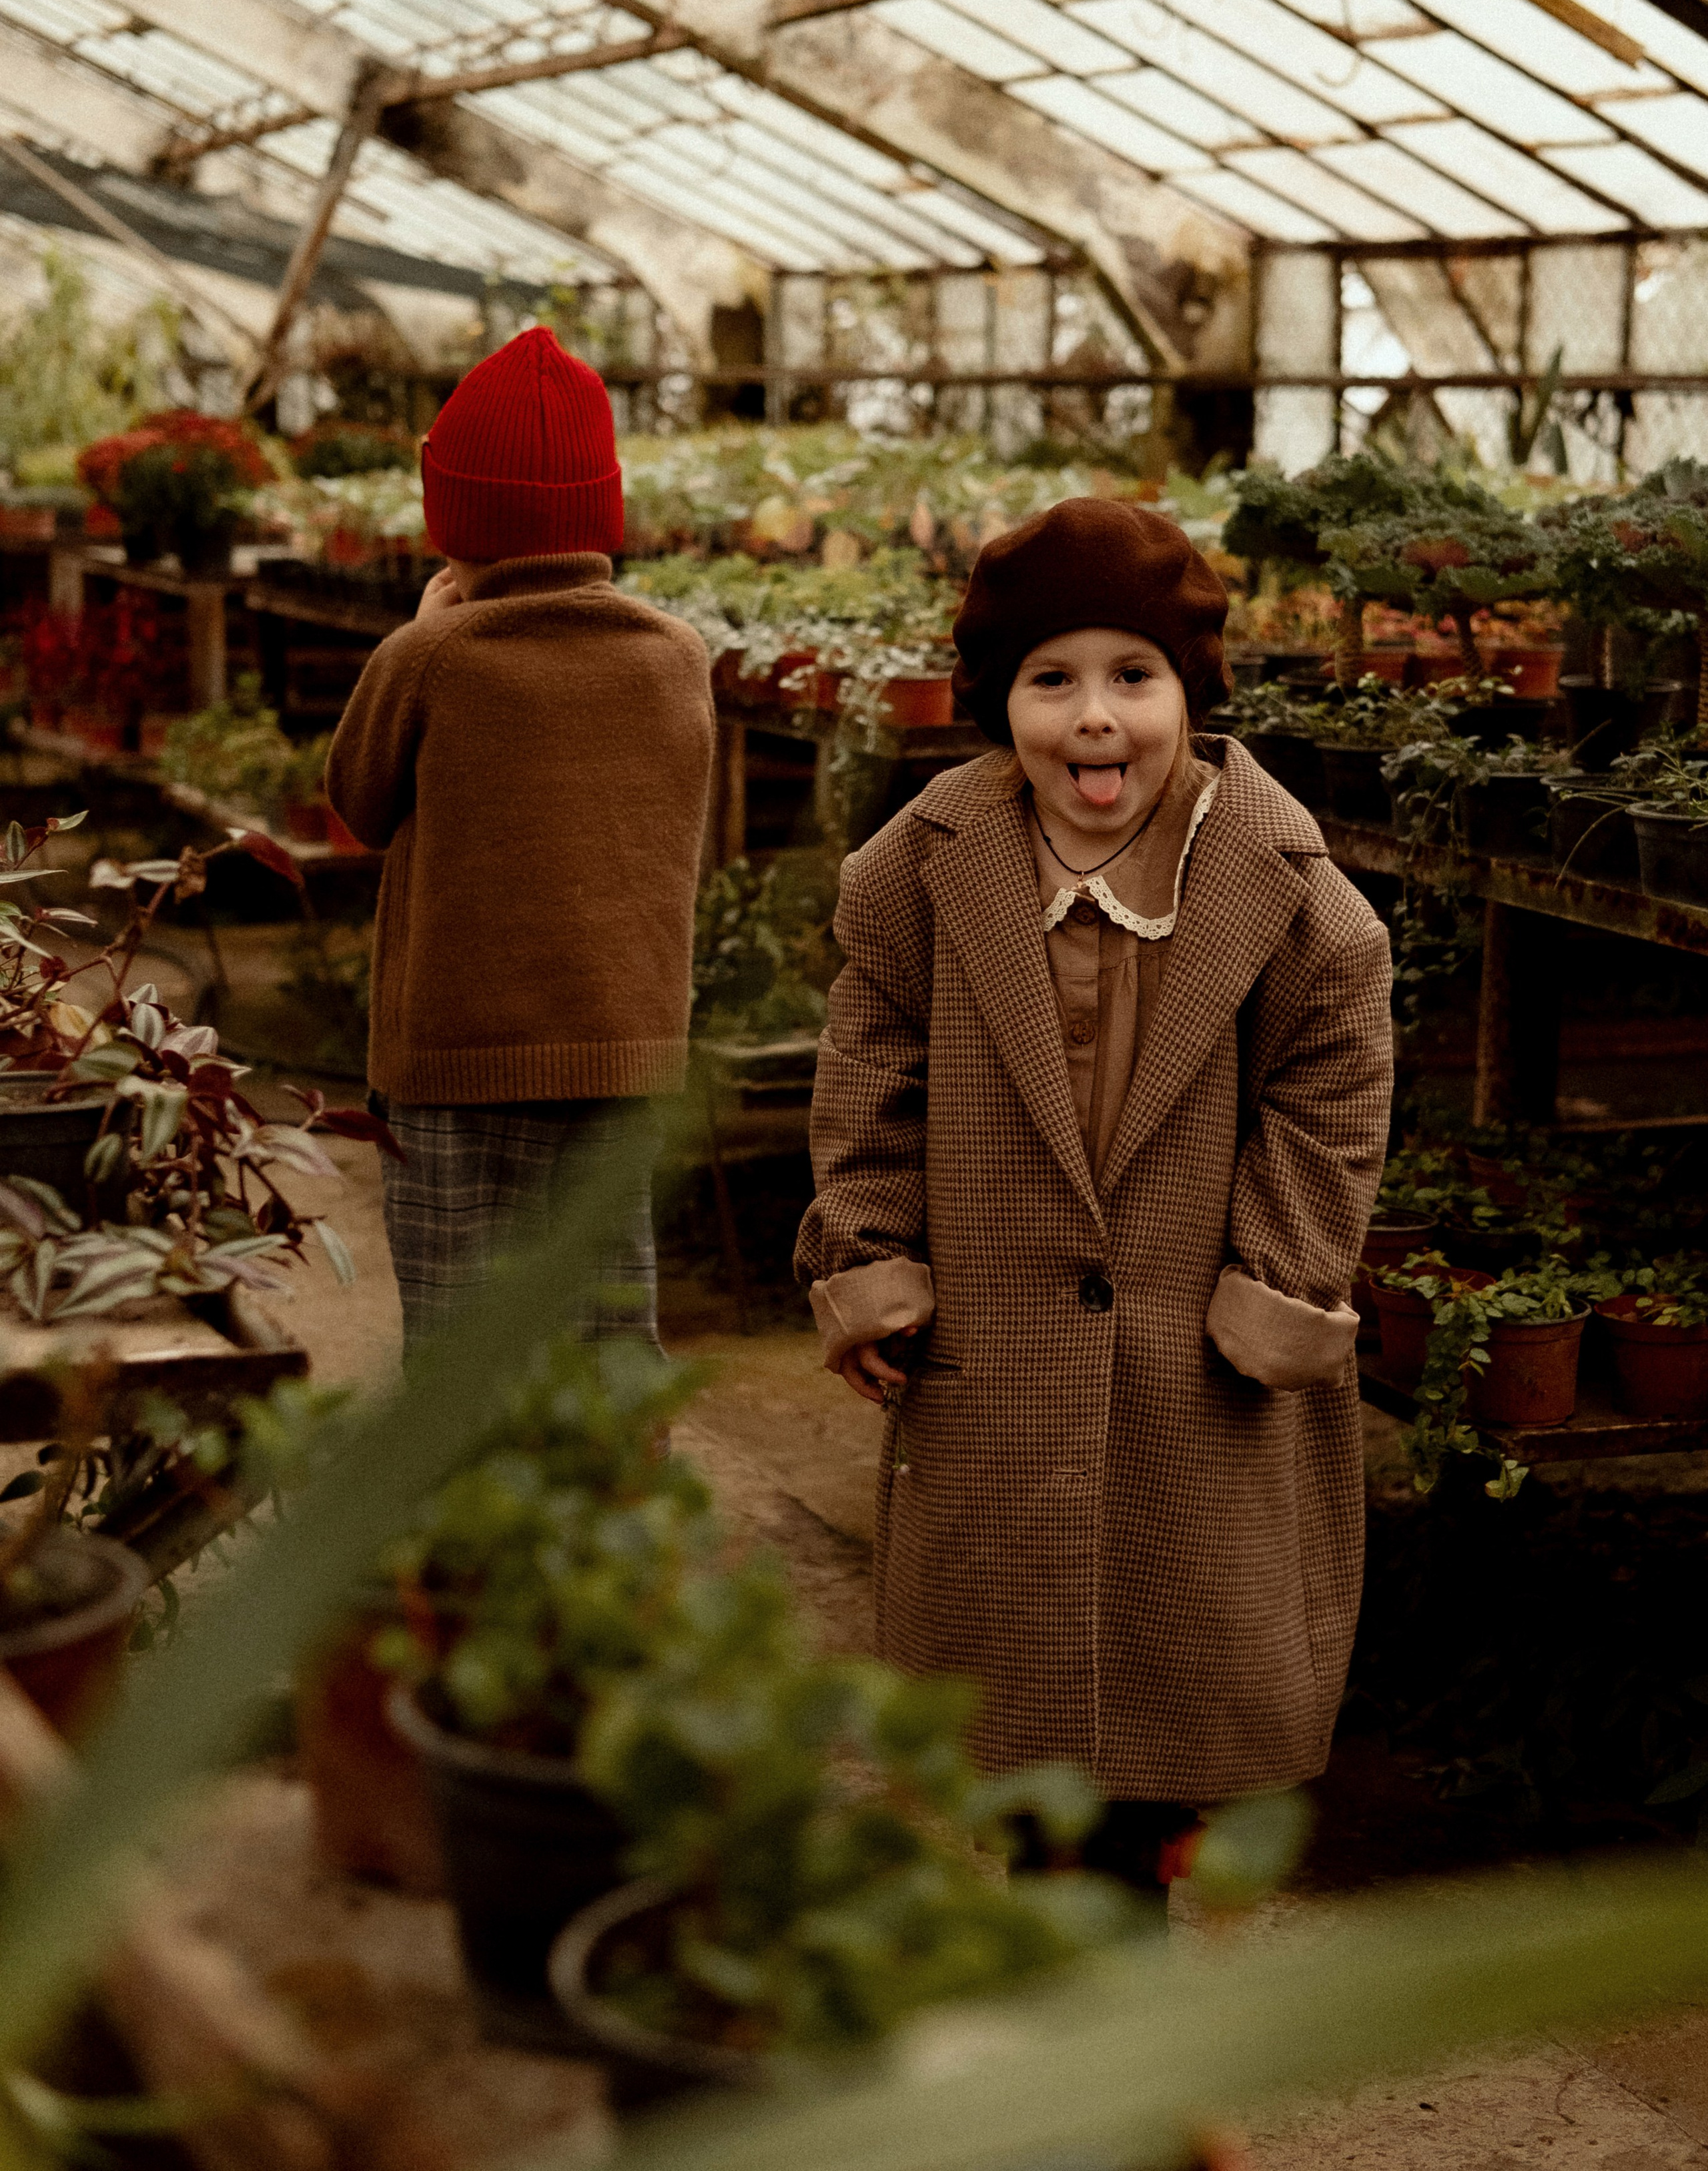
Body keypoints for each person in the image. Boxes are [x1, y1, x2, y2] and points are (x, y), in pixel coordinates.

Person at [796, 496, 1392, 1911]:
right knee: (1017, 1726)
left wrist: (1276, 1272)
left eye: (1135, 675)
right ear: (998, 705)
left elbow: (1328, 1098)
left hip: (1194, 1373)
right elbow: (870, 1077)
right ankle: (1062, 1925)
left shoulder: (1290, 898)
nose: (1094, 719)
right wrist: (870, 1254)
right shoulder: (917, 878)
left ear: (1193, 690)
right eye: (1048, 680)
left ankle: (1121, 1933)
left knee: (1166, 1716)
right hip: (994, 1365)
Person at [326, 326, 713, 1349]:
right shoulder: (676, 657)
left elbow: (356, 800)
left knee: (463, 1354)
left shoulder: (433, 655)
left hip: (458, 1062)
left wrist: (417, 633)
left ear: (456, 519)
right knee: (606, 1342)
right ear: (601, 509)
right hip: (618, 1056)